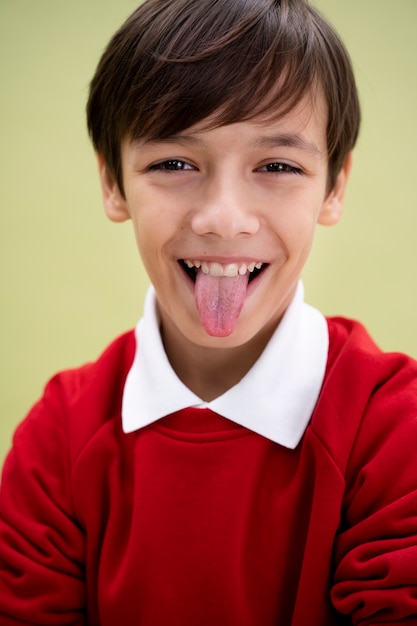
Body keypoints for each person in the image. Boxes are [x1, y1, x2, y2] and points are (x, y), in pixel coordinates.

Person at [1, 0, 417, 623]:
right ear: (114, 183)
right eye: (174, 164)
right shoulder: (59, 439)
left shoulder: (394, 430)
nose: (223, 218)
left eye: (277, 166)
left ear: (333, 187)